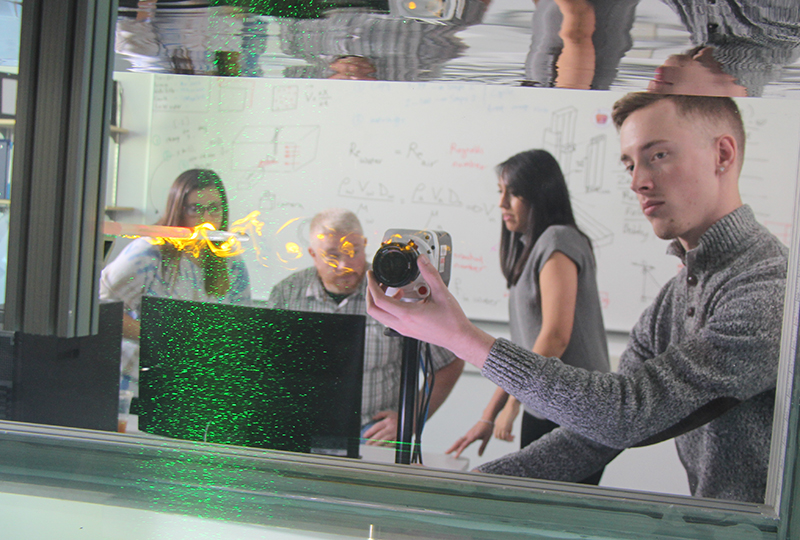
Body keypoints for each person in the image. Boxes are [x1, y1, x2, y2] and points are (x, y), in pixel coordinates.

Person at [366, 93, 788, 503]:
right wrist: (464, 492)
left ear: (723, 155)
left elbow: (626, 414)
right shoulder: (677, 296)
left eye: (658, 155)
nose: (638, 181)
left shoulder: (772, 288)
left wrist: (462, 338)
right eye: (629, 163)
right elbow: (592, 440)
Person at [447, 150, 609, 487]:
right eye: (500, 191)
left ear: (540, 194)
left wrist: (511, 406)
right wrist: (490, 415)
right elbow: (524, 350)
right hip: (547, 405)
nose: (502, 203)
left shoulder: (558, 239)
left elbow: (555, 337)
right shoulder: (531, 246)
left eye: (514, 193)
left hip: (574, 411)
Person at [268, 208, 464, 444]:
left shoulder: (396, 293)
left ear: (364, 244)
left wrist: (409, 420)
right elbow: (268, 371)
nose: (344, 265)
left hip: (371, 433)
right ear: (313, 253)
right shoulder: (287, 294)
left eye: (353, 252)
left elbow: (449, 363)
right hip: (302, 428)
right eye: (332, 255)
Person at [100, 169, 252, 395]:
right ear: (179, 210)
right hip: (137, 385)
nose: (207, 220)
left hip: (195, 388)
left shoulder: (231, 262)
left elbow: (242, 326)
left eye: (214, 209)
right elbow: (102, 310)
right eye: (195, 209)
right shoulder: (149, 252)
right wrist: (162, 338)